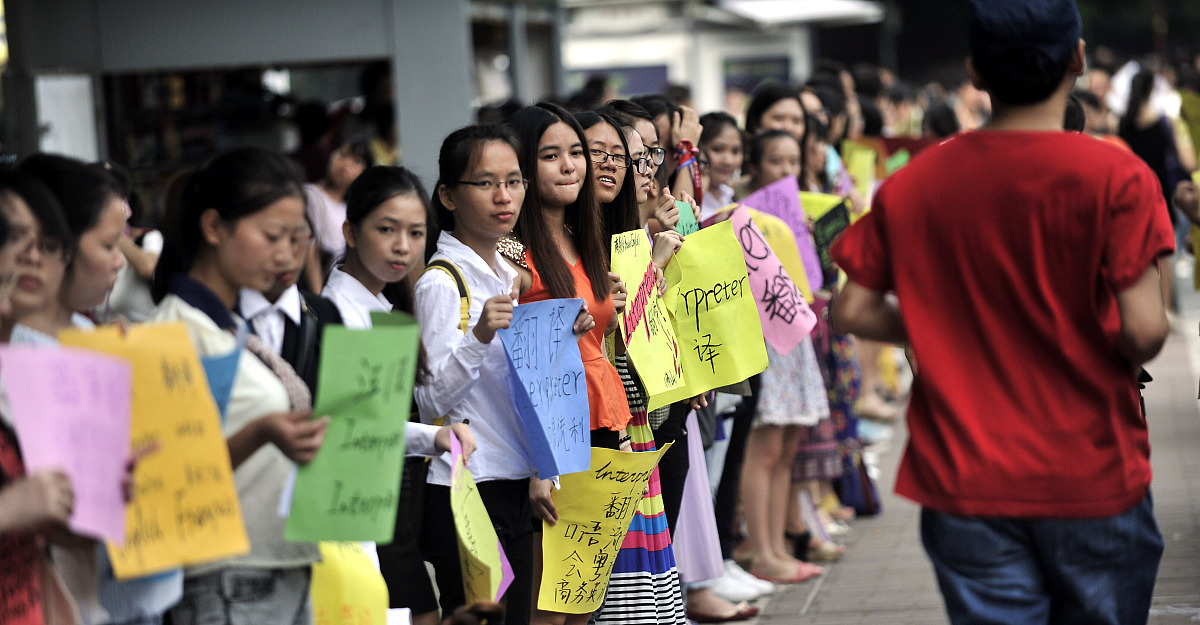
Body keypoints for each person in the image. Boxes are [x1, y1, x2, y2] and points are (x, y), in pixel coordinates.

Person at [831, 1, 1173, 622]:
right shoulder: (1117, 175)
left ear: (976, 73)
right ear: (1077, 59)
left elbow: (851, 308)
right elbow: (1146, 331)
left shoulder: (915, 182)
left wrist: (950, 324)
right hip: (1090, 468)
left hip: (966, 477)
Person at [151, 147, 332, 625]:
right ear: (214, 228)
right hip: (227, 575)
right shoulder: (179, 332)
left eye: (297, 239)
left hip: (277, 563)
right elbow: (169, 474)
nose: (286, 253)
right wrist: (262, 433)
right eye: (273, 235)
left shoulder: (229, 328)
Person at [322, 164, 475, 625]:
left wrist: (435, 439)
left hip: (380, 504)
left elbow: (369, 427)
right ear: (350, 231)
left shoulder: (381, 311)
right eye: (386, 229)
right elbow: (348, 431)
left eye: (414, 232)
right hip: (350, 512)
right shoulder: (337, 315)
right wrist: (432, 438)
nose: (402, 246)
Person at [501, 102, 628, 625]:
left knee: (584, 599)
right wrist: (540, 466)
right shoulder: (512, 250)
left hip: (602, 422)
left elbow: (595, 340)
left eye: (576, 153)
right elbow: (507, 350)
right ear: (524, 170)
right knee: (548, 606)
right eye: (550, 156)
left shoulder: (585, 237)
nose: (570, 166)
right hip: (550, 435)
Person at [413, 124, 544, 625]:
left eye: (514, 181)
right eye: (486, 183)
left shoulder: (506, 272)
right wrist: (479, 337)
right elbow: (430, 403)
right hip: (467, 486)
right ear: (448, 195)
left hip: (511, 477)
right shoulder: (441, 284)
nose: (504, 196)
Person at [303, 136, 374, 292]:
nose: (345, 164)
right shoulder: (311, 194)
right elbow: (310, 249)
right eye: (342, 155)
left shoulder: (349, 210)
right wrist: (319, 296)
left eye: (355, 161)